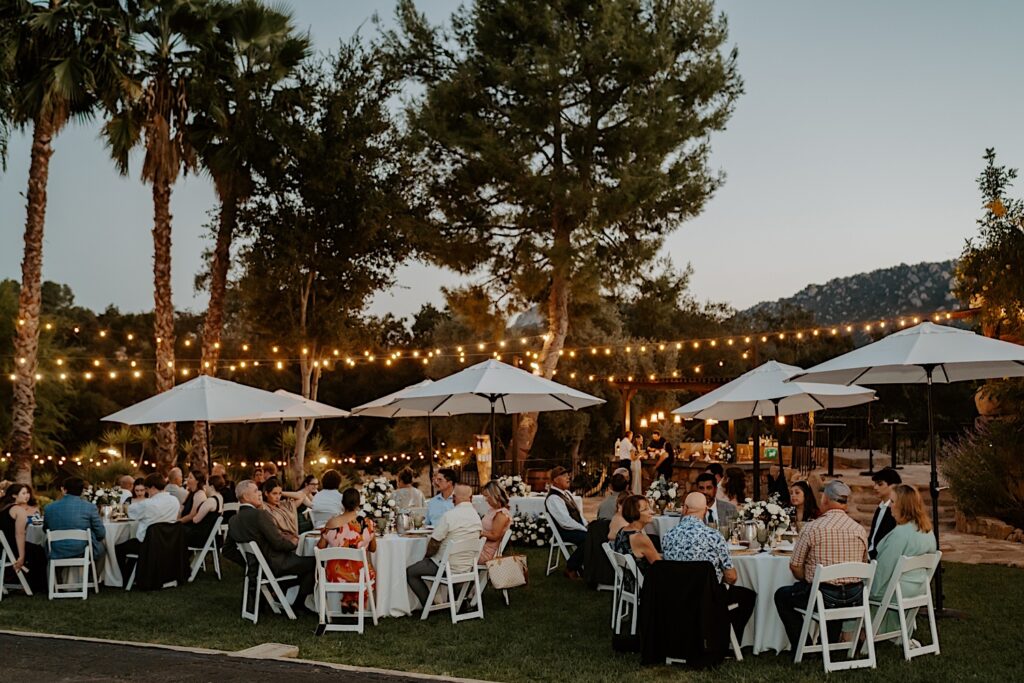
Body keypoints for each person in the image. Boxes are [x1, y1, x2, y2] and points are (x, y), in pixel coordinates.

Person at [774, 480, 868, 654]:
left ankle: (804, 647)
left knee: (782, 596)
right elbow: (863, 563)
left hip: (823, 597)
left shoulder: (812, 528)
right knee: (833, 590)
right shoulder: (859, 530)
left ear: (825, 499)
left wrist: (807, 578)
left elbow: (795, 566)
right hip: (854, 597)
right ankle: (831, 646)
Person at [662, 492, 757, 639]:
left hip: (676, 595)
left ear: (684, 509)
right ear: (706, 511)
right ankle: (726, 643)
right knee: (747, 596)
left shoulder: (668, 535)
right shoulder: (714, 536)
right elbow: (731, 577)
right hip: (707, 597)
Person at [224, 480, 315, 612]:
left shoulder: (233, 520)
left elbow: (227, 550)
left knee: (305, 565)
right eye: (255, 491)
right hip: (276, 563)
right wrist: (294, 543)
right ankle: (299, 603)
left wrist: (250, 563)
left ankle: (280, 592)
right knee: (317, 563)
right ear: (246, 497)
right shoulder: (260, 515)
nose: (259, 493)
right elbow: (278, 543)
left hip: (262, 567)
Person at [870, 484, 938, 636]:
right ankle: (892, 632)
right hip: (918, 589)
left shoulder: (899, 535)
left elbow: (883, 571)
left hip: (897, 592)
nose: (889, 506)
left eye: (892, 502)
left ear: (903, 506)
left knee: (854, 592)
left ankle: (854, 634)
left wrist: (867, 587)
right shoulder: (927, 531)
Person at [406, 484, 483, 610]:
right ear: (471, 498)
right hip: (467, 566)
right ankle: (459, 602)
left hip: (446, 566)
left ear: (454, 498)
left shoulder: (449, 516)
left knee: (411, 571)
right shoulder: (476, 517)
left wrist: (425, 557)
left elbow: (434, 543)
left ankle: (428, 606)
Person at [318, 487, 377, 613]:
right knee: (370, 573)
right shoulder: (367, 523)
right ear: (358, 504)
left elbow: (320, 548)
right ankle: (354, 600)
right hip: (359, 574)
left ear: (342, 503)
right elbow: (373, 549)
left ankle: (348, 600)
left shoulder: (331, 523)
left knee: (348, 570)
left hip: (334, 574)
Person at [115, 472, 180, 582]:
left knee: (118, 548)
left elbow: (129, 512)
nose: (146, 492)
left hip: (148, 545)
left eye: (147, 489)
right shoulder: (175, 501)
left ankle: (123, 578)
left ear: (153, 488)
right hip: (169, 543)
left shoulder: (148, 504)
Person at [43, 477, 106, 563]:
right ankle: (93, 575)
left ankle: (57, 576)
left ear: (64, 490)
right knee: (102, 549)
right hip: (82, 550)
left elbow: (45, 529)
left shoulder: (49, 508)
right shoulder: (89, 507)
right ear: (82, 491)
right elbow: (101, 533)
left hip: (56, 550)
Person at [0, 483, 47, 592]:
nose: (26, 496)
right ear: (14, 495)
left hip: (3, 548)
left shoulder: (3, 509)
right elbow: (19, 534)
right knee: (38, 550)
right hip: (12, 548)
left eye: (27, 493)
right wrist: (21, 557)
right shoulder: (18, 510)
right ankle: (38, 585)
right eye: (23, 493)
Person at [544, 466, 588, 579]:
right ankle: (571, 567)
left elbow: (578, 514)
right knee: (590, 539)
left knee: (596, 534)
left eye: (567, 475)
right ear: (555, 480)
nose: (568, 477)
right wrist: (583, 529)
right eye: (563, 476)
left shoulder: (566, 493)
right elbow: (565, 522)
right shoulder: (553, 498)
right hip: (565, 531)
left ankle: (590, 568)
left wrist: (586, 524)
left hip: (575, 528)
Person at [611, 495, 661, 585]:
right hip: (645, 586)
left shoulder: (622, 531)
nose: (652, 512)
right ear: (634, 513)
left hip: (627, 583)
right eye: (645, 509)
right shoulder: (640, 538)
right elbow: (659, 566)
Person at [180, 472, 223, 548]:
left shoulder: (210, 501)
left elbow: (195, 520)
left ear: (211, 487)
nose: (205, 486)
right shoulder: (220, 498)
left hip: (201, 537)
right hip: (208, 535)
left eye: (206, 484)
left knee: (175, 532)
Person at [262, 477, 310, 543]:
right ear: (266, 493)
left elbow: (302, 496)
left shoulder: (284, 505)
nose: (278, 497)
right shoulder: (264, 507)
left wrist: (282, 492)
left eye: (279, 494)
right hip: (281, 542)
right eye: (274, 493)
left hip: (294, 539)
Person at [868, 468, 902, 560]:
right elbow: (873, 538)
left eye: (880, 484)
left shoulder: (897, 512)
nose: (875, 487)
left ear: (893, 486)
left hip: (882, 558)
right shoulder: (881, 507)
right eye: (875, 484)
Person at [478, 481, 512, 564]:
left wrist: (479, 532)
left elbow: (495, 536)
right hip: (480, 546)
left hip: (487, 553)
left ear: (495, 495)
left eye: (487, 496)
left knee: (458, 554)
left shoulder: (501, 514)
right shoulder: (493, 510)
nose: (485, 500)